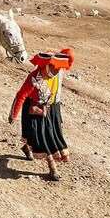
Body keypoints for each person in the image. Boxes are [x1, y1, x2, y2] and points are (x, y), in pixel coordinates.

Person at [8, 49, 74, 181]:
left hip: (53, 110)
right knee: (44, 140)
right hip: (36, 112)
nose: (53, 72)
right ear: (44, 66)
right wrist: (13, 114)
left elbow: (69, 55)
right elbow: (21, 96)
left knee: (39, 135)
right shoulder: (33, 78)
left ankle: (26, 148)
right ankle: (52, 168)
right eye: (51, 68)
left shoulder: (58, 72)